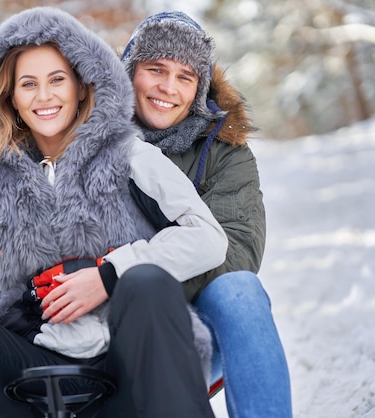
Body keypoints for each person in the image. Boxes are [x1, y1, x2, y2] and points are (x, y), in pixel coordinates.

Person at [0, 7, 228, 418]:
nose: (43, 96)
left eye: (57, 80)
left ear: (82, 87)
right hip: (24, 368)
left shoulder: (130, 155)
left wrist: (108, 275)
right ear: (10, 96)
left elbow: (208, 238)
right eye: (28, 84)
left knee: (149, 282)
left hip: (124, 365)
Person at [120, 11, 293, 417]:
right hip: (93, 317)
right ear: (129, 74)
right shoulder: (87, 138)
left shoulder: (225, 153)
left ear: (200, 88)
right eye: (155, 69)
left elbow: (237, 250)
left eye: (185, 76)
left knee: (241, 291)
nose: (168, 87)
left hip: (186, 322)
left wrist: (139, 285)